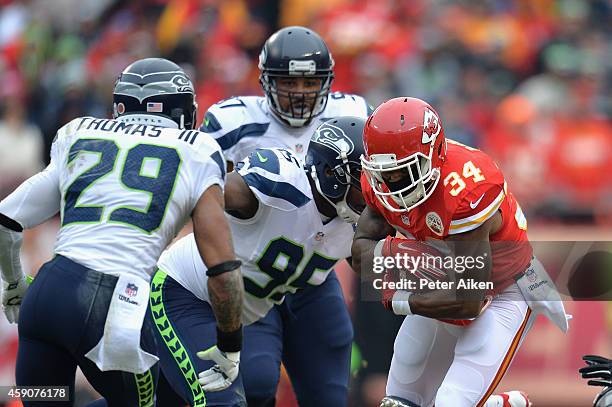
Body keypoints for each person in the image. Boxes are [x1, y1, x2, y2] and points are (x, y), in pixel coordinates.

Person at [0, 58, 244, 407]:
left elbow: (6, 219)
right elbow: (222, 269)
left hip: (47, 295)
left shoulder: (79, 132)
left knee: (47, 399)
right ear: (181, 111)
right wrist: (230, 343)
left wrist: (13, 285)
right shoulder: (197, 150)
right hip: (114, 305)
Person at [351, 97, 569, 407]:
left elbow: (468, 301)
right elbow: (361, 255)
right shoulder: (380, 180)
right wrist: (410, 259)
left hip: (501, 291)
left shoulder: (467, 189)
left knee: (452, 402)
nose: (392, 183)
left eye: (403, 172)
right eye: (385, 173)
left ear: (434, 155)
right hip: (443, 284)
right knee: (399, 402)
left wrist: (399, 294)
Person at [199, 26, 371, 406]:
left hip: (313, 271)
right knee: (256, 385)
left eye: (310, 82)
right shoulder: (232, 120)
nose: (300, 93)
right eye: (288, 81)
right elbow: (198, 190)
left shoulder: (355, 114)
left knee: (330, 389)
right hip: (250, 270)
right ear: (265, 80)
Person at [154, 117, 366, 406]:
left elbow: (381, 270)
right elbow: (205, 188)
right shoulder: (281, 184)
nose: (372, 192)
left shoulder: (358, 222)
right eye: (364, 181)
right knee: (225, 402)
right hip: (188, 295)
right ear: (331, 173)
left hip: (238, 315)